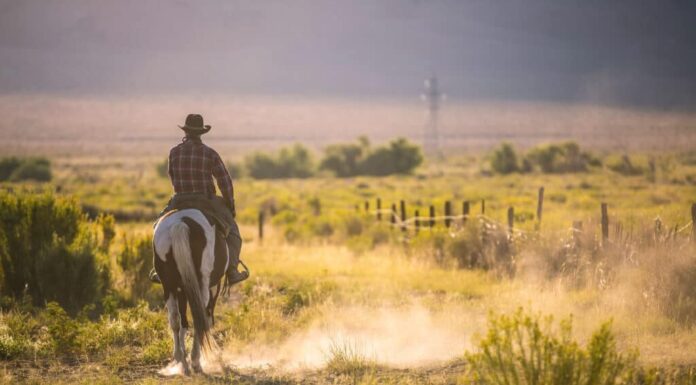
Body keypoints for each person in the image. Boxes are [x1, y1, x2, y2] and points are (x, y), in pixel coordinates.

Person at [149, 113, 248, 286]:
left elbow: (173, 178)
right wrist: (230, 207)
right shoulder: (210, 154)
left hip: (179, 200)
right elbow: (225, 182)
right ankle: (232, 271)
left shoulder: (174, 153)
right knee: (233, 233)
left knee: (157, 227)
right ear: (201, 133)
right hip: (205, 201)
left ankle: (159, 269)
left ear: (186, 131)